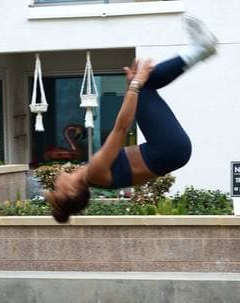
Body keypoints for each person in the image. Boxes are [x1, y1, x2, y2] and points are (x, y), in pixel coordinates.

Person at [45, 16, 218, 223]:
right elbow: (121, 129)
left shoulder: (94, 176)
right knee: (142, 84)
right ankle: (200, 49)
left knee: (145, 83)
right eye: (58, 190)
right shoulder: (95, 170)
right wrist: (135, 85)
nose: (56, 183)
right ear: (72, 190)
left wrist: (134, 84)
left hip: (170, 151)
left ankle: (200, 50)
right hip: (168, 149)